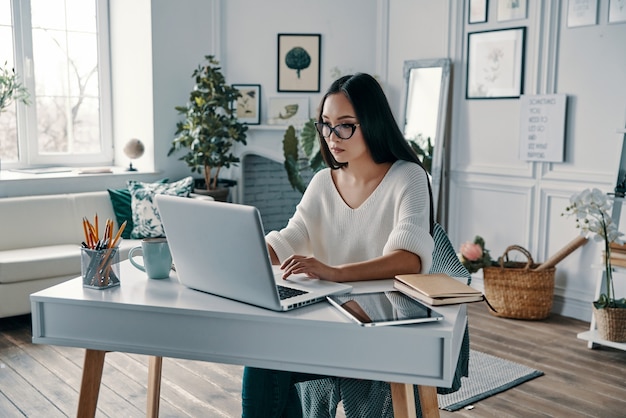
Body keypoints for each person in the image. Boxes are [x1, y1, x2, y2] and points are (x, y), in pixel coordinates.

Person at [241, 72, 435, 417]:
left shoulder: (408, 177)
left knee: (267, 362)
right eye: (326, 125)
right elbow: (289, 238)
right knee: (264, 357)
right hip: (327, 315)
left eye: (345, 125)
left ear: (372, 122)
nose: (332, 137)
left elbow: (407, 259)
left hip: (378, 322)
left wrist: (334, 273)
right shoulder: (322, 182)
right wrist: (238, 256)